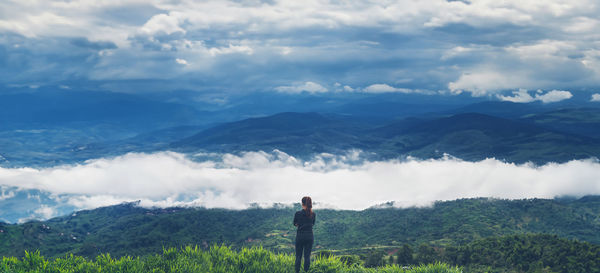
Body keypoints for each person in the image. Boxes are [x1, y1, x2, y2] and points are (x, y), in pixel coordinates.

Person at [293, 196, 315, 273]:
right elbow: (312, 224)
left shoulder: (298, 213)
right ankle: (306, 271)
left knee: (298, 256)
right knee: (307, 257)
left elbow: (295, 224)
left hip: (300, 236)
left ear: (302, 204)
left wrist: (300, 225)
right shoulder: (313, 214)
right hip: (309, 236)